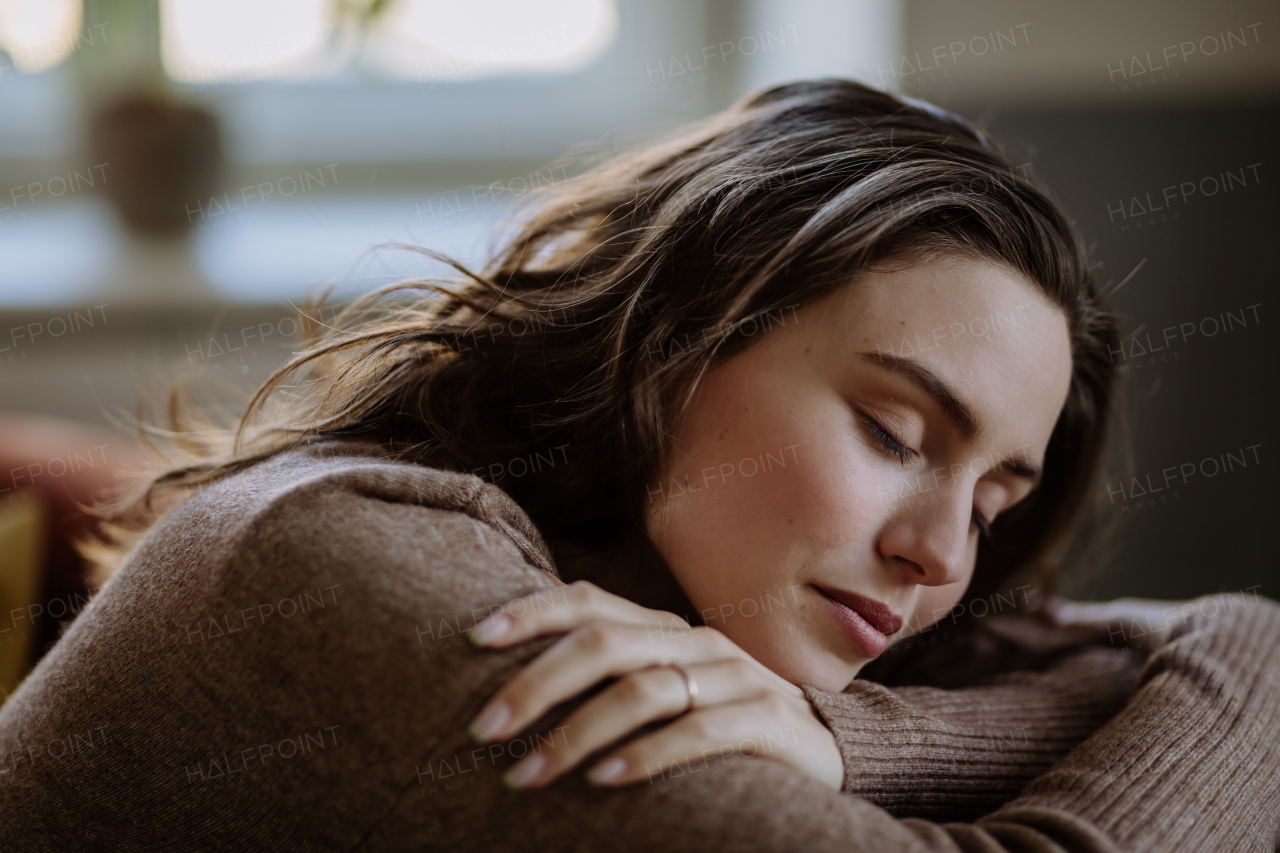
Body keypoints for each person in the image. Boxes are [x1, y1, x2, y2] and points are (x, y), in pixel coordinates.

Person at [1, 79, 1277, 851]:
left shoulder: (684, 592)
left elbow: (1234, 648)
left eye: (994, 500)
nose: (939, 558)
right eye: (894, 435)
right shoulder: (358, 571)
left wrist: (851, 741)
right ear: (673, 344)